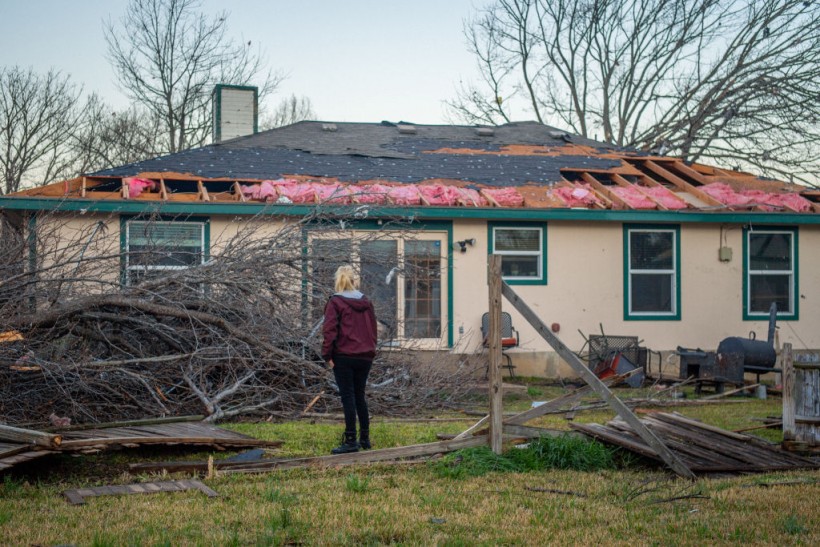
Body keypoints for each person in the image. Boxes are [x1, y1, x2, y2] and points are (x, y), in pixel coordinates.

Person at [322, 265, 378, 454]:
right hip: (365, 356)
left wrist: (327, 355)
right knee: (359, 396)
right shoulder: (366, 302)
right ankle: (365, 439)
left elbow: (330, 330)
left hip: (344, 355)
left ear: (337, 281)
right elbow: (373, 329)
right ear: (354, 281)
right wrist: (371, 349)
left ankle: (351, 440)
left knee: (348, 397)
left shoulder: (335, 302)